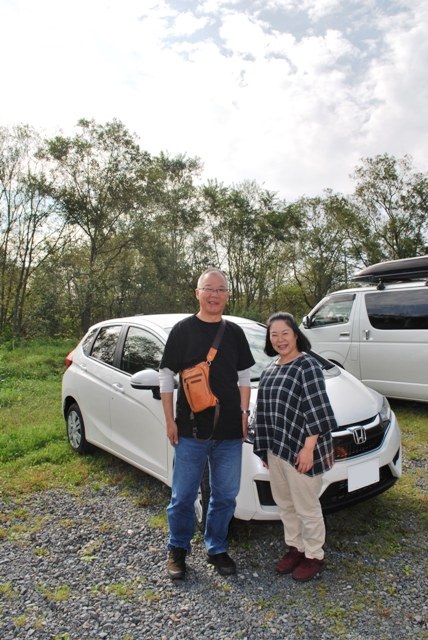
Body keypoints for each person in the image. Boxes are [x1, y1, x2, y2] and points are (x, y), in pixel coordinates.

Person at [159, 268, 255, 579]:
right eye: (208, 289)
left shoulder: (235, 333)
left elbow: (244, 377)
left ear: (228, 295)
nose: (214, 295)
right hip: (190, 430)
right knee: (183, 495)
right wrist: (169, 420)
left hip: (229, 432)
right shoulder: (182, 330)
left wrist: (244, 414)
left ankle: (216, 548)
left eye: (220, 289)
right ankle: (178, 549)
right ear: (197, 293)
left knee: (225, 495)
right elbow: (166, 377)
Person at [253, 311, 336, 582]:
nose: (280, 340)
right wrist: (265, 448)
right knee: (286, 504)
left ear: (296, 335)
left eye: (285, 333)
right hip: (277, 450)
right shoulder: (270, 369)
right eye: (274, 335)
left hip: (302, 450)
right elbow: (264, 412)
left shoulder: (307, 365)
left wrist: (308, 448)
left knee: (306, 507)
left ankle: (314, 555)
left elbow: (317, 409)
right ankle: (296, 548)